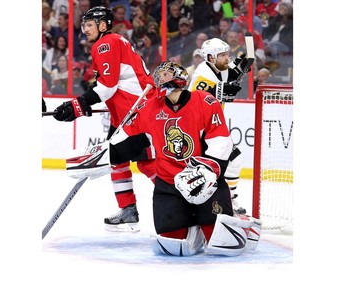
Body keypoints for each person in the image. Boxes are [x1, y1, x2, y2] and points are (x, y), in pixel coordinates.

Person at [65, 61, 262, 257]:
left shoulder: (204, 101)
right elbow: (126, 140)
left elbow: (221, 141)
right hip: (168, 186)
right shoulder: (150, 107)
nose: (160, 80)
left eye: (165, 75)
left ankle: (238, 221)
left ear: (180, 77)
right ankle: (194, 226)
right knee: (172, 245)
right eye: (158, 76)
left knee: (222, 243)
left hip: (206, 183)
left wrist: (206, 171)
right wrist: (98, 157)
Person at [52, 6, 156, 232]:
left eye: (89, 25)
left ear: (102, 25)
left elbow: (107, 87)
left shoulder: (105, 44)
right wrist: (84, 104)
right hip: (127, 111)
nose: (85, 29)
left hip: (135, 110)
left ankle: (178, 200)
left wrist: (77, 105)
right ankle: (129, 209)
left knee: (147, 162)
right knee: (116, 160)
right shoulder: (114, 41)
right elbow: (107, 86)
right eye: (84, 25)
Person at [188, 38, 253, 214]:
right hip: (199, 130)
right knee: (214, 168)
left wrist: (242, 67)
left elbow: (232, 74)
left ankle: (228, 200)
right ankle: (208, 204)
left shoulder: (220, 66)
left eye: (227, 54)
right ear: (210, 57)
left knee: (233, 160)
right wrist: (221, 90)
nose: (227, 58)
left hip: (213, 127)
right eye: (223, 55)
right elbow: (195, 98)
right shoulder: (202, 73)